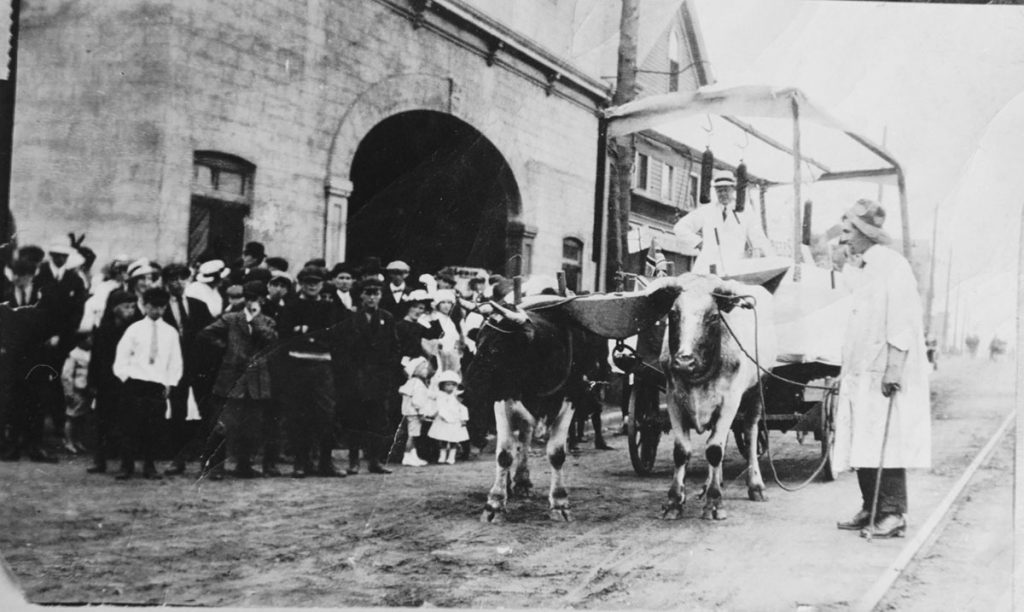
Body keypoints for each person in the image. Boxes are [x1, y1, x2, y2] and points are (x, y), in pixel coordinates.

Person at [833, 200, 931, 539]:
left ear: (864, 234)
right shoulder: (857, 267)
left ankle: (893, 513)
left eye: (847, 232)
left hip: (883, 368)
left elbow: (903, 319)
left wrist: (894, 368)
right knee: (862, 437)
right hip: (860, 367)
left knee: (885, 439)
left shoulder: (893, 265)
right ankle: (870, 505)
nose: (843, 238)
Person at [197, 280, 278, 478]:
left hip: (256, 380)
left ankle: (244, 465)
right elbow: (205, 334)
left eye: (257, 298)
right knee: (223, 424)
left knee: (251, 426)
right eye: (250, 298)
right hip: (231, 378)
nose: (253, 302)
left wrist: (257, 321)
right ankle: (213, 466)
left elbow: (272, 339)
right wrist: (225, 348)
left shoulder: (267, 321)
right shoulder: (230, 319)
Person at [278, 265, 345, 478]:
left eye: (316, 282)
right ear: (301, 283)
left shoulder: (330, 307)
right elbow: (286, 335)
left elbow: (334, 335)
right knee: (299, 413)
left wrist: (307, 332)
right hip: (297, 367)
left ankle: (325, 462)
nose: (312, 286)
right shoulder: (291, 307)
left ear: (323, 284)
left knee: (326, 414)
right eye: (308, 282)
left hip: (322, 367)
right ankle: (301, 462)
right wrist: (311, 334)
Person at [112, 287, 183, 480]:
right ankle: (127, 465)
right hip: (135, 383)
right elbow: (121, 357)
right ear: (144, 305)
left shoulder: (170, 332)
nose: (157, 311)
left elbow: (175, 361)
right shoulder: (134, 329)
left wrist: (170, 383)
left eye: (162, 307)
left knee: (153, 428)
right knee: (130, 426)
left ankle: (149, 465)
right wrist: (126, 378)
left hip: (157, 385)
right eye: (153, 307)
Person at [335, 276, 398, 475]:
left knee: (378, 419)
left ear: (381, 296)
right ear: (361, 296)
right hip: (357, 377)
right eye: (368, 294)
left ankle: (375, 460)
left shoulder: (387, 317)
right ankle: (354, 461)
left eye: (376, 294)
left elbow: (394, 347)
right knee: (356, 419)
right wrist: (349, 372)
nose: (372, 298)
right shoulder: (351, 317)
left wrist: (386, 369)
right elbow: (343, 348)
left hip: (379, 377)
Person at [160, 263, 214, 475]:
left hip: (198, 365)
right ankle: (177, 458)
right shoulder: (160, 306)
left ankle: (208, 460)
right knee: (177, 411)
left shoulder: (198, 305)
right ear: (166, 282)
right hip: (173, 367)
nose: (179, 283)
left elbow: (211, 335)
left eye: (183, 278)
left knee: (207, 409)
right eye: (173, 279)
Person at [672, 170, 774, 275]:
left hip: (734, 269)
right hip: (706, 268)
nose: (723, 194)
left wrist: (772, 260)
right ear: (715, 191)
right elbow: (679, 228)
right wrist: (699, 243)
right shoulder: (707, 210)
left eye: (726, 190)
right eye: (719, 191)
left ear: (733, 189)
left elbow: (759, 238)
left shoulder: (745, 211)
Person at [85, 289, 137, 474]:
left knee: (126, 423)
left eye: (132, 307)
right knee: (102, 423)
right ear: (115, 308)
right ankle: (100, 461)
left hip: (127, 382)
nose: (130, 311)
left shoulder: (134, 330)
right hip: (106, 383)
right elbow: (95, 359)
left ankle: (126, 464)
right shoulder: (103, 330)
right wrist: (92, 383)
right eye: (126, 306)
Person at [397, 356, 436, 467]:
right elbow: (417, 401)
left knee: (414, 435)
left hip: (410, 411)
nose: (426, 370)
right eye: (423, 368)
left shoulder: (414, 382)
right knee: (412, 435)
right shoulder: (417, 383)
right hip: (414, 412)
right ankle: (407, 456)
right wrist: (421, 412)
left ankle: (413, 456)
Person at [428, 371, 469, 465]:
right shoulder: (439, 395)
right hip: (443, 420)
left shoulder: (456, 396)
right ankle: (442, 457)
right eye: (448, 385)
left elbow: (462, 408)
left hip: (454, 420)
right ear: (442, 385)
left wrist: (463, 418)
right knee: (443, 439)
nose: (450, 387)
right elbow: (431, 396)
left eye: (453, 385)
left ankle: (451, 457)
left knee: (453, 440)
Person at [61, 333, 92, 453]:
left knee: (82, 417)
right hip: (76, 389)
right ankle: (69, 441)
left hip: (86, 389)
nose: (91, 341)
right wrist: (68, 392)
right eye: (89, 339)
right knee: (72, 417)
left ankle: (78, 440)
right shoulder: (74, 354)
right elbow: (66, 375)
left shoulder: (90, 352)